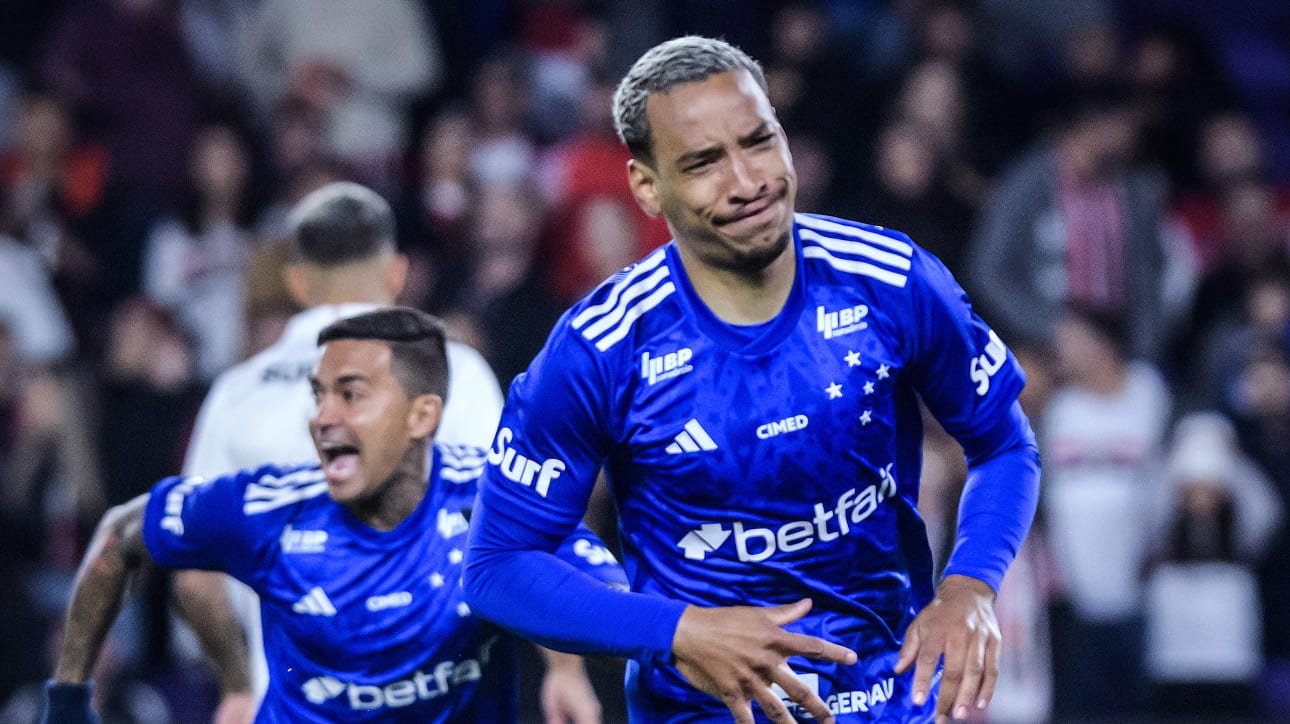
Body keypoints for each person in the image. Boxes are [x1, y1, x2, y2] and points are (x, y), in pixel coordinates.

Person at [463, 36, 1041, 723]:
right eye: (704, 162)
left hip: (888, 701)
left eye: (759, 141)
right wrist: (673, 632)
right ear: (647, 185)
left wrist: (972, 584)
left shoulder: (890, 279)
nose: (748, 181)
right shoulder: (601, 348)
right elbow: (497, 565)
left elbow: (1004, 444)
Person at [41, 307, 627, 722]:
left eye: (350, 394)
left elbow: (601, 594)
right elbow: (120, 537)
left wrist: (568, 672)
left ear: (422, 416)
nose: (321, 417)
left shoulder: (493, 501)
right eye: (318, 394)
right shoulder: (269, 510)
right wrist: (67, 700)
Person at [173, 180, 606, 722]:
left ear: (299, 283)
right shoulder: (456, 372)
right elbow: (518, 525)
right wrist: (565, 670)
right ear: (397, 273)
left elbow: (194, 574)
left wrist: (237, 685)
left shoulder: (236, 393)